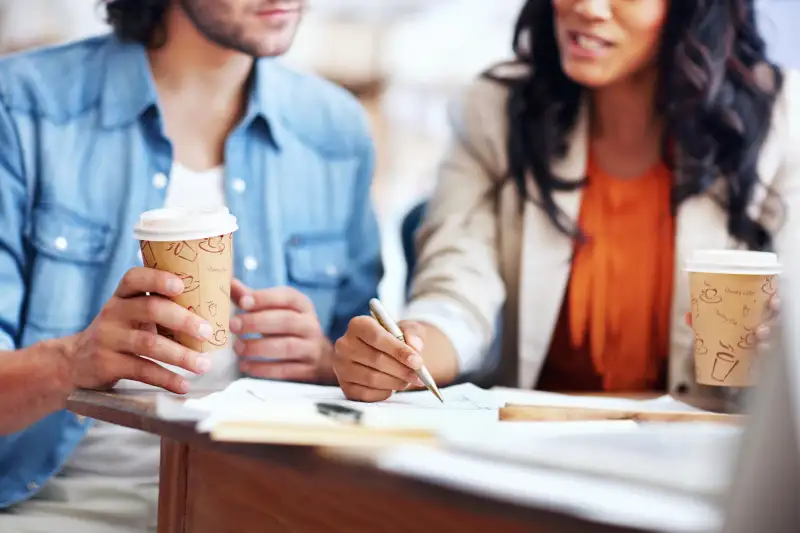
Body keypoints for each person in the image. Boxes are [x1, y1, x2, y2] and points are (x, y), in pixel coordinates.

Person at [0, 0, 380, 531]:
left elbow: (367, 382)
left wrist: (325, 360)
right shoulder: (21, 105)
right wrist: (70, 362)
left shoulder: (336, 132)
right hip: (45, 509)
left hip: (258, 510)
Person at [333, 0, 799, 407]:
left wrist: (781, 341)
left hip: (709, 454)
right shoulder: (495, 110)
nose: (590, 7)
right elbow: (457, 291)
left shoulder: (781, 119)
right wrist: (405, 354)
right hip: (543, 449)